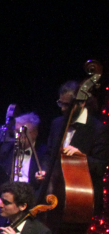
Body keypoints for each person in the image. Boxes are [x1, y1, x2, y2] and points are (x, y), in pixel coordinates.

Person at [39, 82, 109, 215]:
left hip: (81, 198)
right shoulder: (57, 123)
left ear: (82, 103)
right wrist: (45, 171)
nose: (63, 109)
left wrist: (81, 158)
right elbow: (49, 154)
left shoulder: (98, 129)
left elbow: (101, 167)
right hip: (54, 194)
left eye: (68, 105)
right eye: (61, 103)